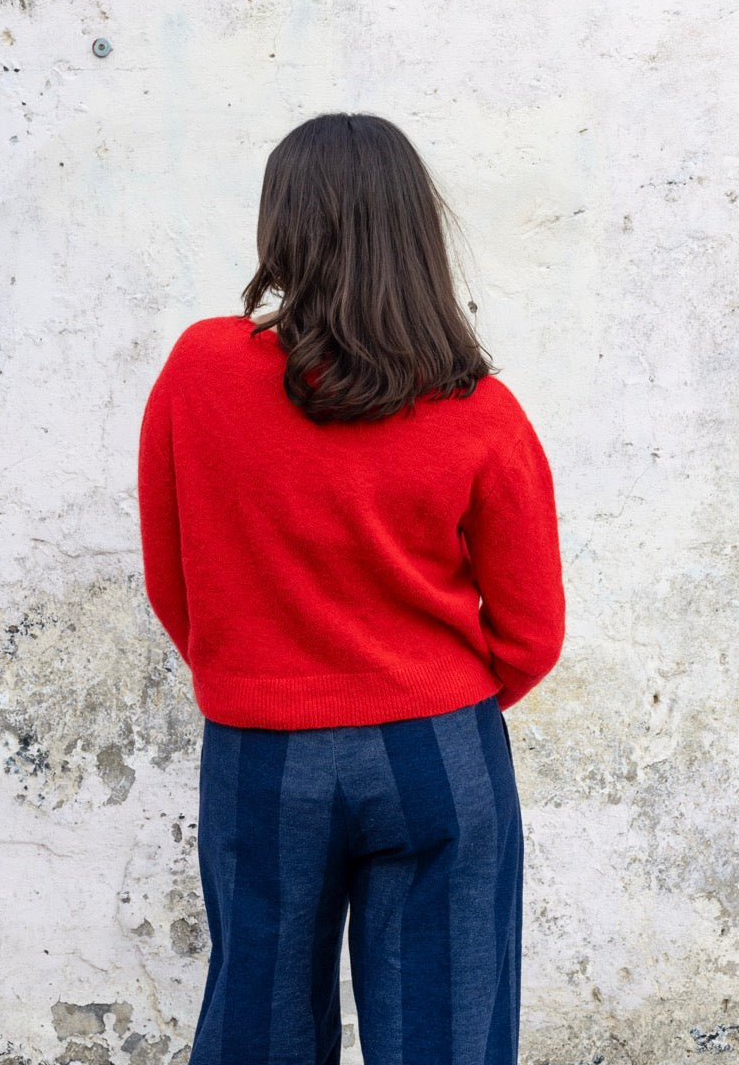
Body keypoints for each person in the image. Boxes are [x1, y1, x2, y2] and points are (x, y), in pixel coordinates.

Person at [137, 111, 566, 1065]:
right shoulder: (479, 410)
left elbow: (174, 582)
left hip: (261, 752)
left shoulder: (201, 371)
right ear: (415, 231)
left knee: (258, 1024)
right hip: (438, 749)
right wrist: (428, 699)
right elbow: (533, 632)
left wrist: (261, 673)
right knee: (448, 1033)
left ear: (281, 226)